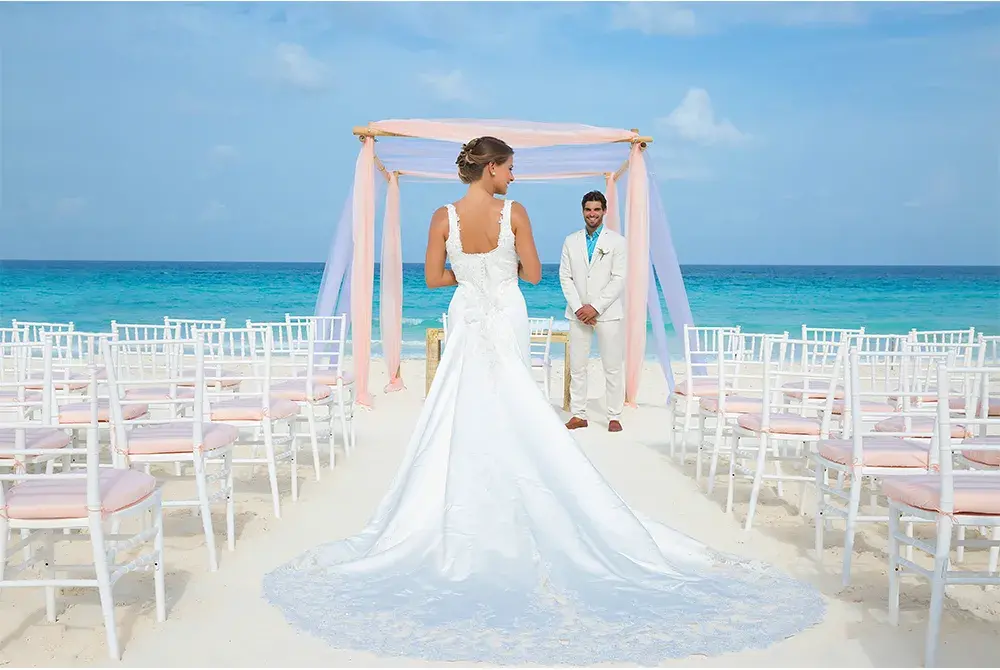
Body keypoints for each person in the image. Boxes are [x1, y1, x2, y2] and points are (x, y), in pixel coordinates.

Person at [262, 136, 824, 665]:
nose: (513, 175)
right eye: (509, 167)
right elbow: (532, 274)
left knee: (459, 405)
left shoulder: (441, 217)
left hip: (466, 314)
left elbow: (433, 279)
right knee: (515, 402)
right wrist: (500, 273)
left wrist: (469, 276)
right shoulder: (515, 214)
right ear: (491, 168)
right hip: (506, 311)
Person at [559, 190, 627, 432]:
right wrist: (579, 308)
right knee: (578, 365)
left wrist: (595, 307)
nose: (592, 214)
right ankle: (579, 414)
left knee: (612, 365)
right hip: (577, 314)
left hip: (607, 313)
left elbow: (619, 279)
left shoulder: (617, 242)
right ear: (582, 211)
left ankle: (614, 415)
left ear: (604, 211)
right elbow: (565, 277)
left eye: (597, 209)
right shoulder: (570, 241)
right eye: (588, 209)